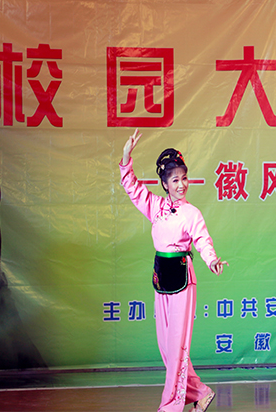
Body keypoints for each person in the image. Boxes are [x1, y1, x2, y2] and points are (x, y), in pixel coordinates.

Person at [120, 129, 228, 412]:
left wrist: (212, 259)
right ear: (165, 184)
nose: (182, 184)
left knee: (178, 347)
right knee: (168, 348)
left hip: (182, 278)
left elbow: (202, 239)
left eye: (184, 178)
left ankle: (170, 406)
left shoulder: (192, 213)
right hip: (162, 278)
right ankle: (201, 393)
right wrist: (126, 157)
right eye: (175, 180)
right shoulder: (155, 206)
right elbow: (132, 187)